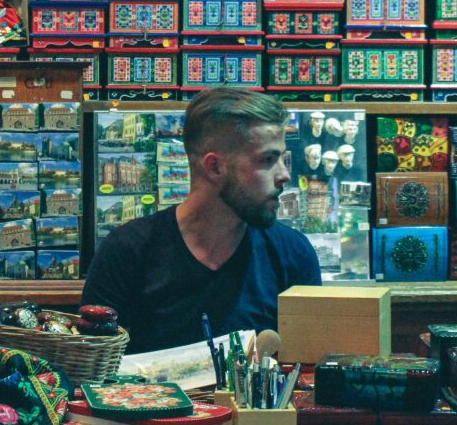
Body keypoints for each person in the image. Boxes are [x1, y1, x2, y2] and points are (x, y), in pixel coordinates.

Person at [82, 88, 321, 353]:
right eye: (267, 160)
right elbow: (93, 370)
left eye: (282, 159)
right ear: (215, 167)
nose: (284, 175)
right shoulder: (128, 250)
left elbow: (306, 375)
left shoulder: (293, 253)